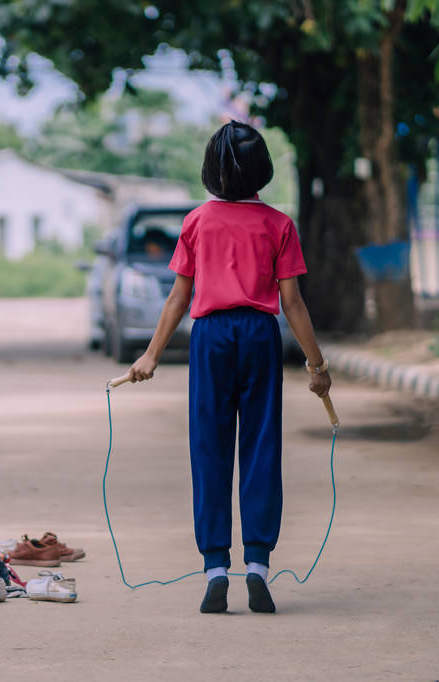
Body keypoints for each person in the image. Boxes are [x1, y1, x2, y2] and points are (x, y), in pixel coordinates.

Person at [126, 120, 332, 614]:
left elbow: (179, 297)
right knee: (261, 447)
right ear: (263, 170)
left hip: (211, 337)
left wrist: (151, 354)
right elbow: (292, 302)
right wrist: (316, 364)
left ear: (210, 172)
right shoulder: (279, 224)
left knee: (210, 448)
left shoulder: (197, 222)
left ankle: (216, 568)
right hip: (259, 335)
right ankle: (257, 564)